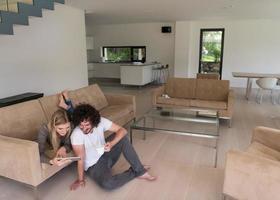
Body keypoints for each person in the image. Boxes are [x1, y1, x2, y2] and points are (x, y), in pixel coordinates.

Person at [70, 104, 156, 191]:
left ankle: (140, 171)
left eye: (87, 125)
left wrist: (111, 143)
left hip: (105, 154)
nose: (84, 128)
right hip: (94, 166)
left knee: (123, 138)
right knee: (108, 184)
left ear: (93, 121)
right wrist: (80, 179)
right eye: (81, 125)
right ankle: (136, 171)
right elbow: (80, 159)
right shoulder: (76, 134)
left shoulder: (100, 121)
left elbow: (122, 130)